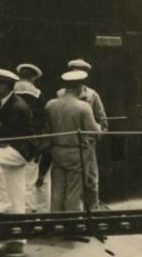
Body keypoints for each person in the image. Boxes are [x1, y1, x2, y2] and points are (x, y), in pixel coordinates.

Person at [0, 68, 38, 222]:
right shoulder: (3, 103)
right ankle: (16, 242)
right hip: (13, 148)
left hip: (20, 149)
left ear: (6, 86)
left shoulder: (16, 106)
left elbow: (4, 135)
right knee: (16, 191)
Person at [45, 70, 101, 212]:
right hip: (76, 152)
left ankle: (56, 224)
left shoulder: (50, 105)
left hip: (57, 151)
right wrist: (99, 127)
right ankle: (72, 226)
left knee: (57, 190)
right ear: (79, 87)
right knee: (74, 191)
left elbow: (47, 130)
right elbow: (95, 133)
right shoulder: (83, 107)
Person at [57, 58, 108, 209]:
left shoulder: (92, 96)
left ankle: (92, 211)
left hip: (86, 146)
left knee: (90, 181)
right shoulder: (60, 94)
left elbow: (103, 121)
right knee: (67, 184)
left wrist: (94, 137)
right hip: (68, 143)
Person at [16, 63, 49, 212]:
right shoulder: (38, 94)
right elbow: (41, 120)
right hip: (30, 141)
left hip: (10, 141)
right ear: (33, 78)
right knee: (29, 179)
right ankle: (28, 210)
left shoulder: (9, 90)